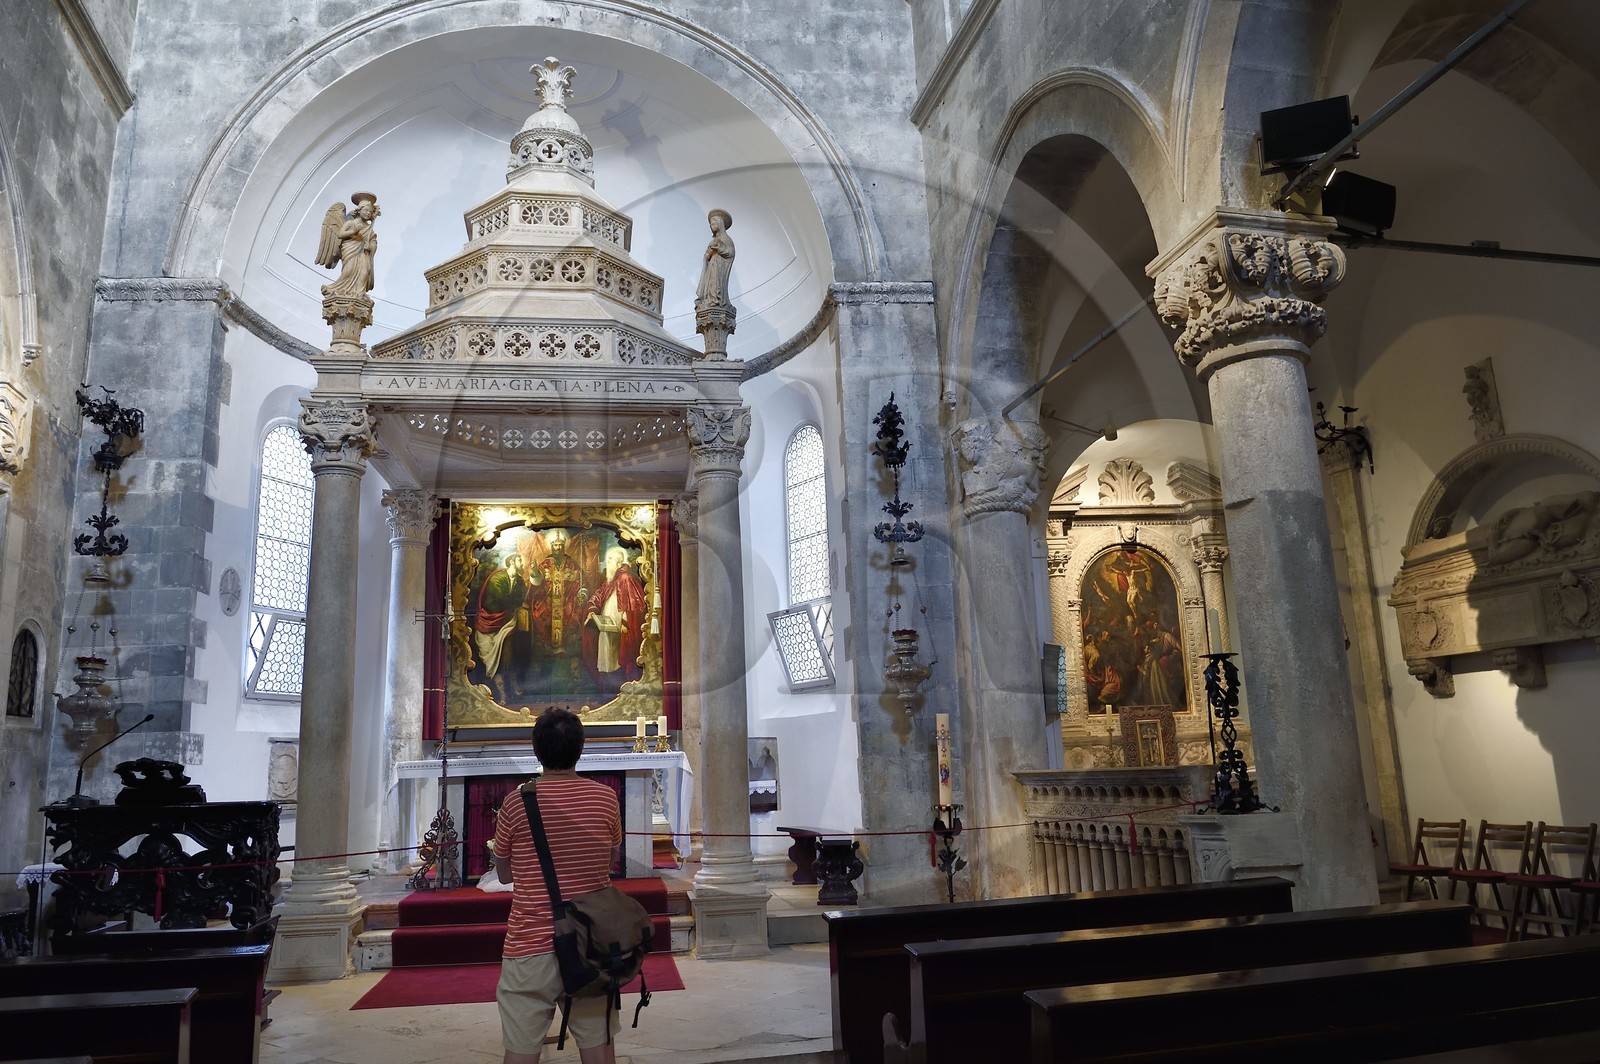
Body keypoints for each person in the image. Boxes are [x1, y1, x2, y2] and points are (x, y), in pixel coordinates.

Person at [494, 708, 623, 1064]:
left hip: (530, 943)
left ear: (537, 750)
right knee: (598, 1049)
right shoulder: (605, 798)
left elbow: (504, 875)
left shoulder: (515, 803)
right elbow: (609, 860)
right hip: (589, 943)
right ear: (581, 749)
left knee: (521, 1050)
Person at [583, 546, 647, 688]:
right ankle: (608, 689)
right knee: (608, 659)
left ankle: (619, 688)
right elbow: (598, 596)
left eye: (610, 561)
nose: (608, 564)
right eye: (608, 561)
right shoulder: (610, 581)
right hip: (606, 629)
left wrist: (626, 621)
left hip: (620, 630)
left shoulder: (626, 578)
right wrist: (592, 610)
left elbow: (635, 604)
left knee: (618, 659)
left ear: (619, 564)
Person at [474, 553, 530, 702]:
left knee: (510, 653)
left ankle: (510, 688)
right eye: (520, 560)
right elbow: (501, 599)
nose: (522, 564)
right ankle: (500, 692)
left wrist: (519, 603)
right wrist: (518, 604)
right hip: (490, 621)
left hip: (507, 621)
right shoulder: (497, 579)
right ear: (512, 561)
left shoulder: (519, 581)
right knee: (492, 657)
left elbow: (522, 597)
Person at [316, 191, 381, 297]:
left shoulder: (369, 229)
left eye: (370, 212)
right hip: (350, 250)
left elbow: (373, 242)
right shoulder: (350, 223)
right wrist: (353, 231)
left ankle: (359, 294)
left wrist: (370, 246)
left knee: (365, 272)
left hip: (363, 254)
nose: (368, 213)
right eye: (366, 210)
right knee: (349, 270)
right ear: (359, 211)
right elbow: (341, 234)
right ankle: (337, 289)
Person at [694, 208, 735, 311]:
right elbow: (707, 255)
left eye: (713, 224)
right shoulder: (713, 241)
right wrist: (707, 256)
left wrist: (719, 248)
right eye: (710, 225)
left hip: (720, 267)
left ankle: (716, 300)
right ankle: (709, 299)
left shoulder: (726, 239)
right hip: (712, 267)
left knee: (716, 285)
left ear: (720, 224)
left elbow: (730, 252)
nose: (711, 227)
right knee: (710, 284)